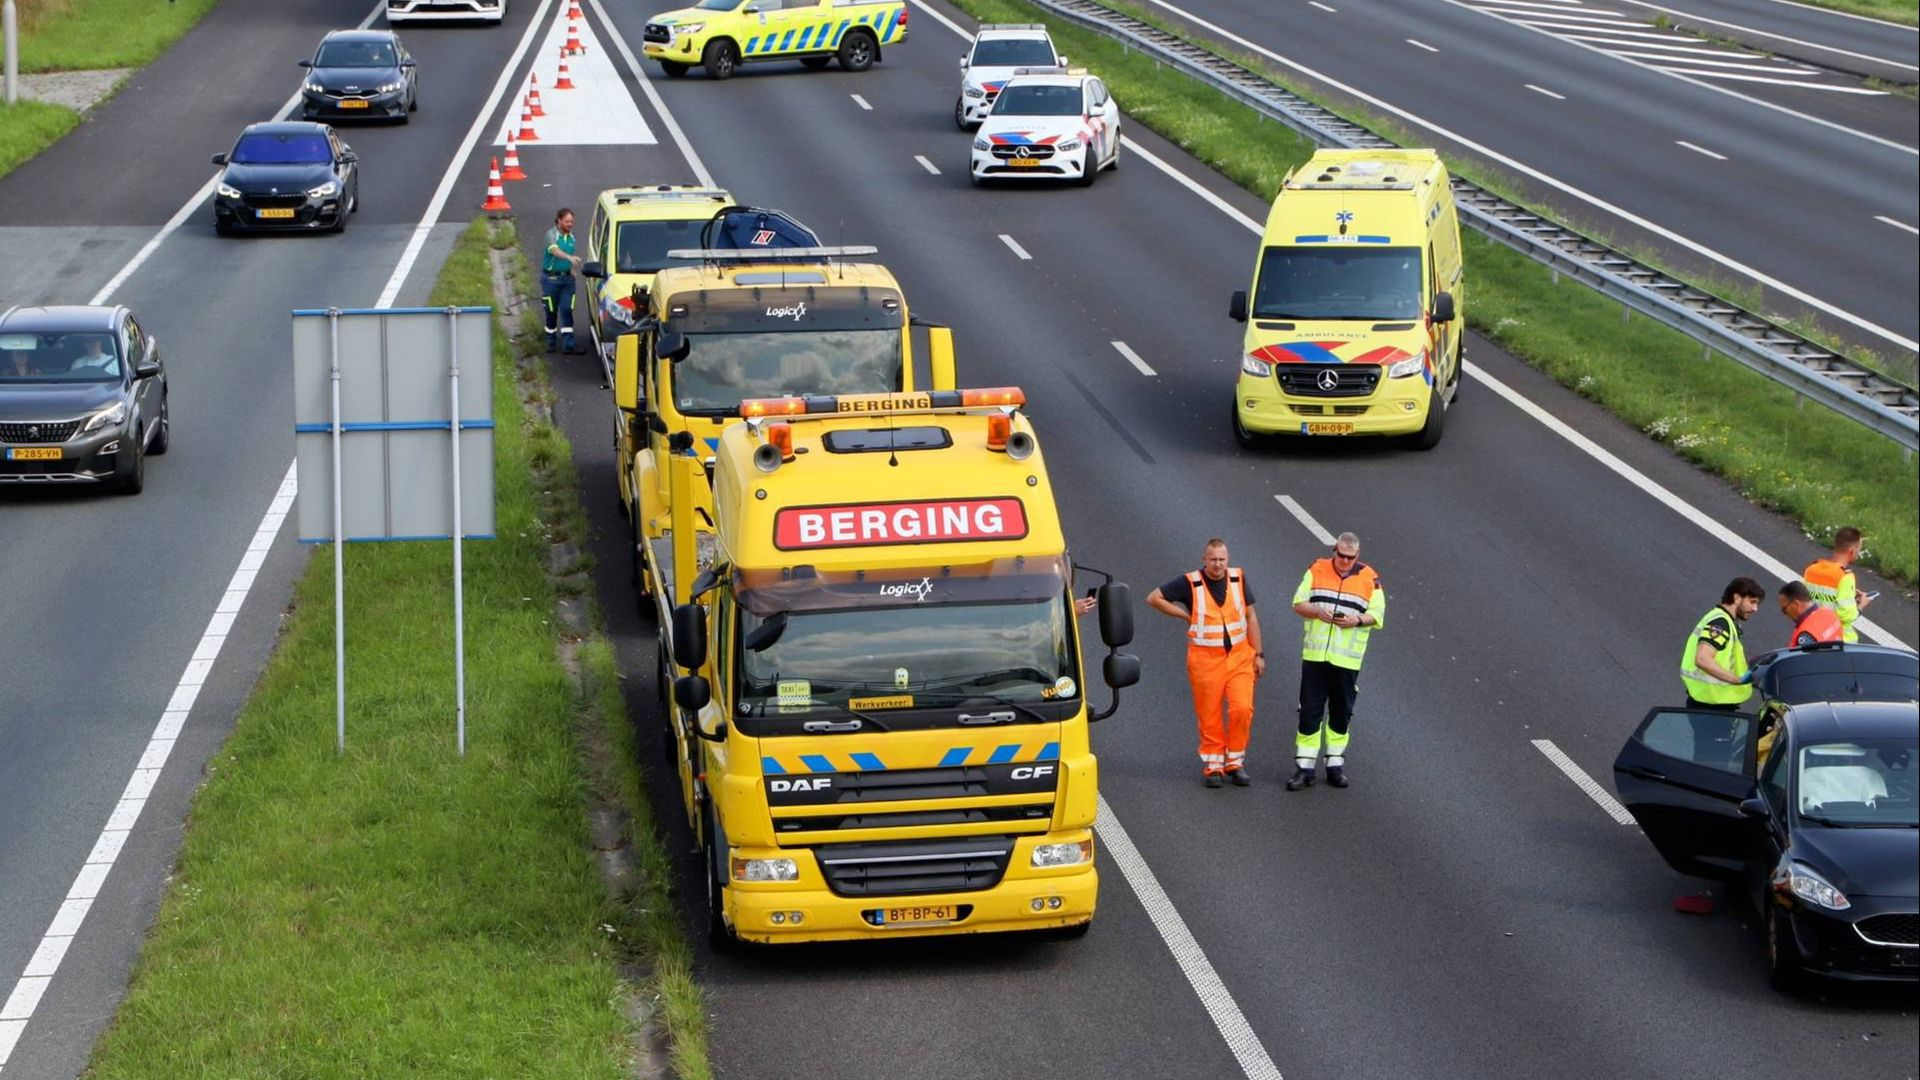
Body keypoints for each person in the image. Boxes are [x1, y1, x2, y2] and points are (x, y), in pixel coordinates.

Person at [1146, 539, 1265, 788]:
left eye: (1222, 559)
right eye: (1213, 560)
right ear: (1204, 559)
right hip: (1205, 661)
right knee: (1209, 714)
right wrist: (1184, 615)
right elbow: (1154, 598)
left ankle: (1235, 762)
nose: (1218, 564)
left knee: (1242, 709)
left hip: (1239, 657)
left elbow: (1251, 616)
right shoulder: (1190, 583)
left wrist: (1259, 654)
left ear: (1227, 559)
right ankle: (1214, 766)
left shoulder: (1238, 578)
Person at [1287, 532, 1383, 791]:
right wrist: (1319, 612)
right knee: (1310, 711)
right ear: (1334, 551)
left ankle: (1335, 766)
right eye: (1341, 555)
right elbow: (1298, 603)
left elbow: (1377, 614)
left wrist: (1356, 620)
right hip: (1316, 656)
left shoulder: (1370, 578)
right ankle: (1304, 768)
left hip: (1347, 661)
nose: (1344, 561)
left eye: (1350, 557)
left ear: (1357, 556)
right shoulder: (1317, 569)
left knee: (1341, 714)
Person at [1680, 577, 1763, 711]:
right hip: (1710, 704)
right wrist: (1736, 679)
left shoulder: (1723, 620)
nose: (1755, 609)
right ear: (1737, 598)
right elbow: (1702, 659)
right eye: (1752, 602)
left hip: (1710, 701)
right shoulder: (1720, 623)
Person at [1802, 527, 1873, 643]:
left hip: (1811, 636)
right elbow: (1846, 615)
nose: (1858, 553)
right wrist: (1860, 606)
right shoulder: (1844, 577)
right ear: (1851, 551)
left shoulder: (1812, 569)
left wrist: (1851, 599)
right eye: (1859, 550)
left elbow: (1808, 601)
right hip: (1837, 641)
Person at [541, 208, 583, 354]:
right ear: (559, 220)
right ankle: (550, 341)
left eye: (571, 221)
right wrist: (569, 258)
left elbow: (567, 255)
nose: (570, 224)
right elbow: (554, 251)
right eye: (567, 221)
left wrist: (570, 270)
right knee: (551, 311)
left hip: (567, 281)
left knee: (567, 310)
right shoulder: (551, 235)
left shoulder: (571, 238)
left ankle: (569, 344)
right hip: (551, 280)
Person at [1778, 581, 1843, 649]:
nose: (1784, 613)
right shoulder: (1829, 613)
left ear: (1796, 604)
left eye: (1784, 609)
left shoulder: (1805, 636)